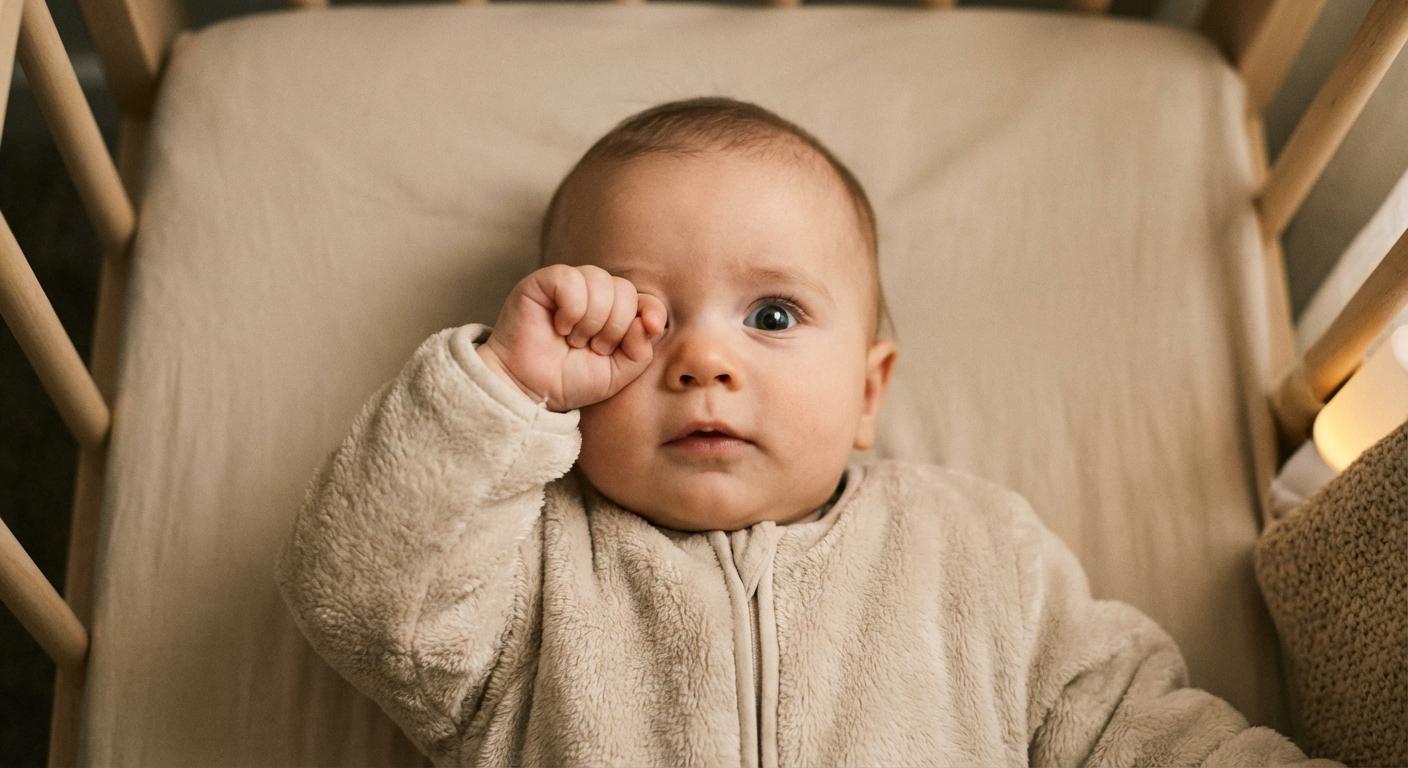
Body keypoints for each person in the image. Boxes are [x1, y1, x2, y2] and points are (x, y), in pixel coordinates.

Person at [275, 96, 1338, 766]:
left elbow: (1125, 725)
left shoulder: (971, 549)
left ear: (869, 391)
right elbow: (363, 598)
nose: (702, 360)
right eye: (639, 319)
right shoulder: (525, 562)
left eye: (772, 316)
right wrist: (502, 392)